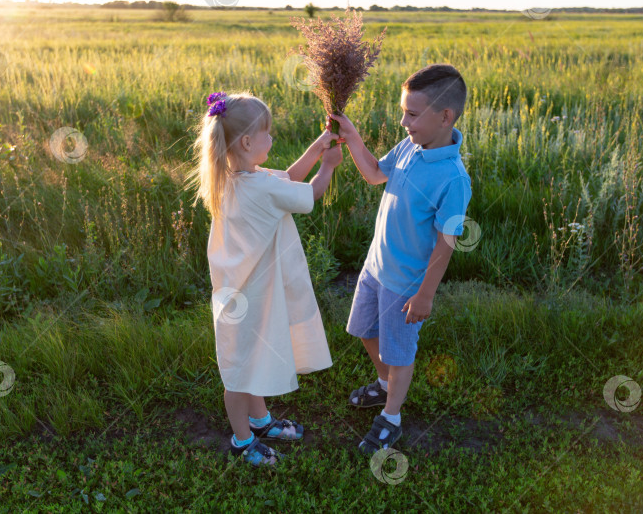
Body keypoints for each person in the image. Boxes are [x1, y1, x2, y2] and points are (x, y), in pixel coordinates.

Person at [191, 91, 342, 465]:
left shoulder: (234, 177)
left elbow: (288, 179)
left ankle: (259, 421)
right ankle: (242, 441)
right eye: (267, 133)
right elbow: (308, 191)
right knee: (239, 371)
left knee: (250, 357)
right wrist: (330, 166)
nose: (272, 139)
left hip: (242, 292)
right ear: (246, 142)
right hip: (249, 295)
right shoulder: (256, 186)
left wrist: (318, 147)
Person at [328, 64, 472, 454]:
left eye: (411, 114)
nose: (402, 120)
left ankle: (391, 418)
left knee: (399, 352)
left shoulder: (453, 179)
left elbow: (446, 243)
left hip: (406, 283)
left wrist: (425, 294)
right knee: (362, 330)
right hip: (376, 267)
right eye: (403, 111)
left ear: (445, 117)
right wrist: (353, 137)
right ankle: (386, 384)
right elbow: (376, 174)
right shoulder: (409, 146)